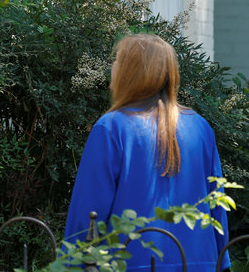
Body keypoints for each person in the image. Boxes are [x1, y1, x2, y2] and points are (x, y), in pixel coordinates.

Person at [64, 33, 230, 272]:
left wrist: (71, 264)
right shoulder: (200, 127)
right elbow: (217, 203)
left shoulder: (111, 128)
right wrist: (222, 262)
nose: (113, 66)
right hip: (198, 263)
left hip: (130, 264)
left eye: (118, 60)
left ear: (132, 72)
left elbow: (88, 213)